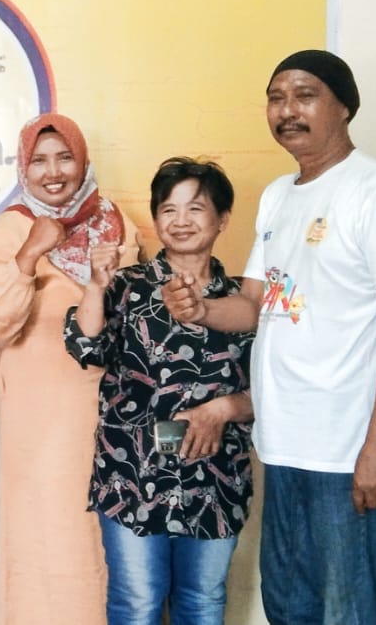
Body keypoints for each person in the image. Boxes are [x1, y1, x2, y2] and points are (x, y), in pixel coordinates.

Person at [163, 50, 376, 624]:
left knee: (347, 610)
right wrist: (201, 310)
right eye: (276, 98)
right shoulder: (279, 195)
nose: (287, 111)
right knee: (288, 605)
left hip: (346, 446)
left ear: (345, 106)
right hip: (283, 439)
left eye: (305, 96)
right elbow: (256, 305)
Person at [64, 158, 255, 625]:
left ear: (223, 219)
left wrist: (224, 408)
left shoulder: (243, 301)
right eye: (169, 209)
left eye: (196, 208)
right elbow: (86, 346)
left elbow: (275, 391)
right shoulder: (127, 286)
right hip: (131, 475)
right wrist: (95, 286)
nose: (181, 220)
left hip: (215, 480)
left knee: (202, 603)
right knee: (136, 603)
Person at [0, 111, 138, 624]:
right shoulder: (9, 229)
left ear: (83, 160)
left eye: (65, 157)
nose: (54, 172)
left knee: (104, 541)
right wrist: (29, 255)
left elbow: (134, 319)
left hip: (112, 415)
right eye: (39, 161)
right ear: (24, 167)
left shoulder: (116, 223)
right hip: (38, 424)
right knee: (44, 539)